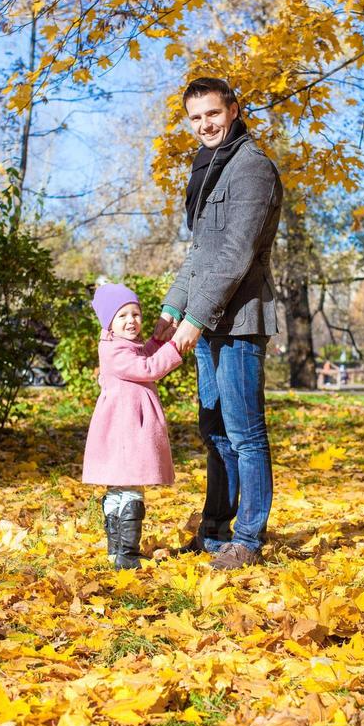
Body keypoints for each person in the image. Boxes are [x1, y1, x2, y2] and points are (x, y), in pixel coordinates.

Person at [154, 77, 283, 570]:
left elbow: (234, 256)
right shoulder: (209, 167)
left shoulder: (251, 169)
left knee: (245, 432)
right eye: (195, 117)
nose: (205, 124)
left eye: (212, 113)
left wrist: (195, 318)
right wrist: (172, 310)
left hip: (240, 321)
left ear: (233, 109)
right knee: (216, 431)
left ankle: (247, 539)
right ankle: (215, 531)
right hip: (207, 321)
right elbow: (201, 254)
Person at [82, 283, 182, 569]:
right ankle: (127, 554)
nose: (131, 321)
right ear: (109, 323)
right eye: (122, 315)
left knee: (118, 489)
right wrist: (174, 348)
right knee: (131, 489)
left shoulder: (121, 345)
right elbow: (147, 368)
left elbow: (142, 354)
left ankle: (117, 550)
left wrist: (158, 342)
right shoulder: (114, 351)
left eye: (135, 314)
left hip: (121, 427)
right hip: (126, 430)